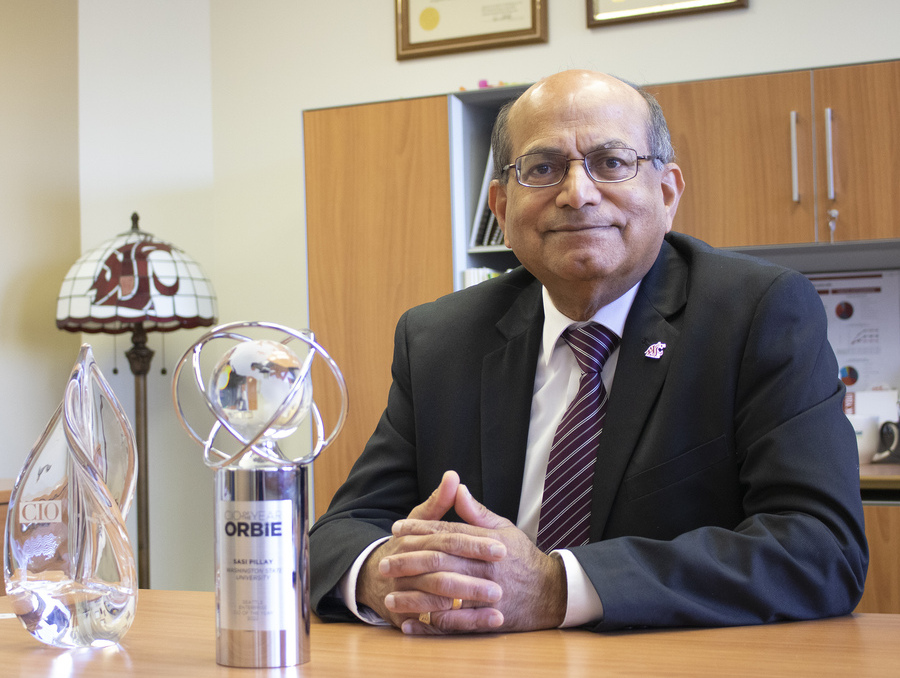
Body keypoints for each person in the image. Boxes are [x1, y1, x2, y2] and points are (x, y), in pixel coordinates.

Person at [308, 70, 868, 635]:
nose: (577, 194)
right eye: (543, 168)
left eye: (612, 162)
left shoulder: (758, 314)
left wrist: (559, 587)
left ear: (667, 193)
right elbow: (340, 532)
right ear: (501, 208)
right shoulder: (440, 339)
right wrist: (384, 572)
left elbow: (820, 548)